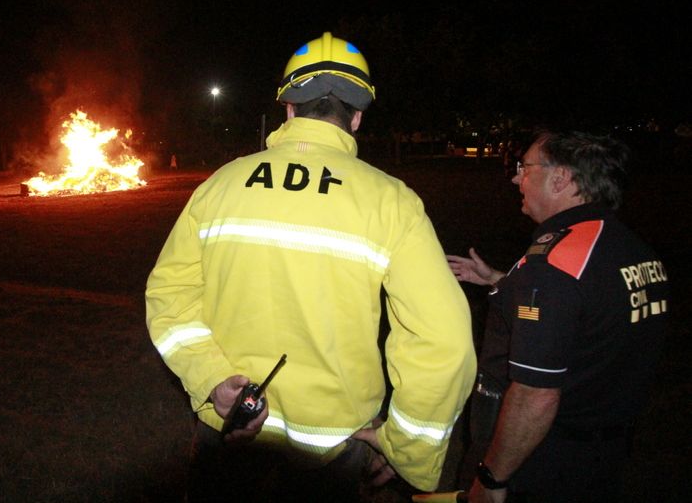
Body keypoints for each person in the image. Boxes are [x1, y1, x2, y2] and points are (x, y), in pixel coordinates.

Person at [146, 32, 476, 501]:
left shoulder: (220, 185)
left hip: (230, 427)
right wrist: (405, 447)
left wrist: (211, 378)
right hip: (330, 448)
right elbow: (444, 341)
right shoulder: (391, 203)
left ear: (288, 109)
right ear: (357, 117)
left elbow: (168, 296)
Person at [447, 130, 669, 503]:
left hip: (542, 459)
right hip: (603, 452)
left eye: (526, 167)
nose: (517, 178)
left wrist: (491, 479)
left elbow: (535, 393)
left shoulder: (555, 264)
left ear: (561, 178)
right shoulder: (629, 248)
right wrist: (498, 281)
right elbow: (586, 311)